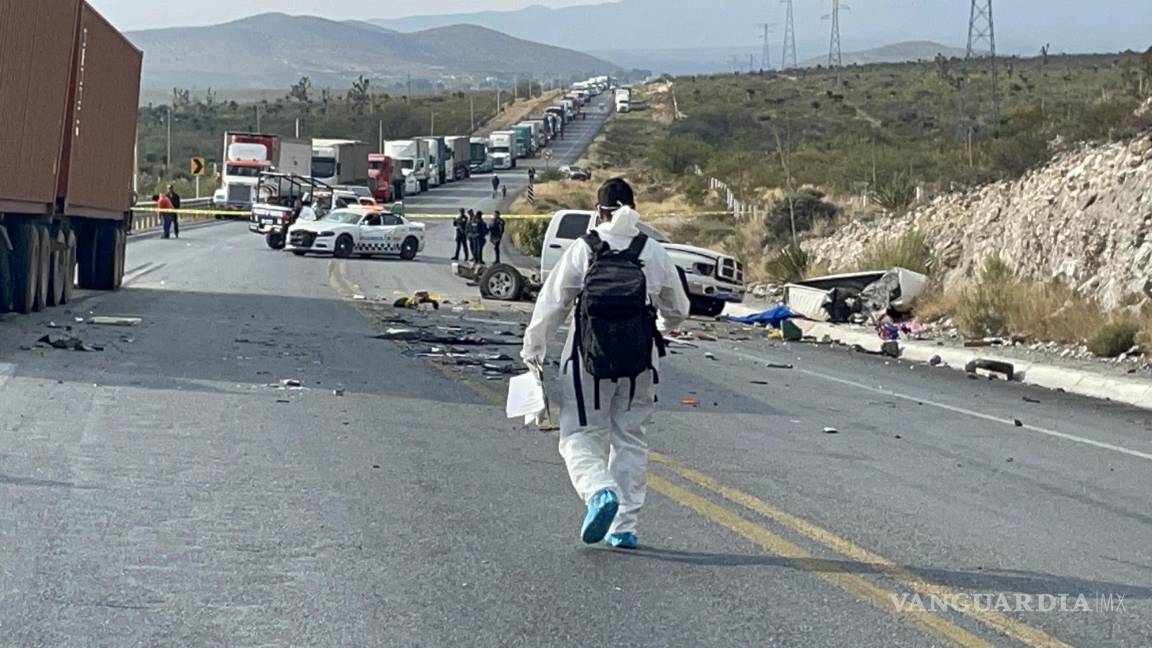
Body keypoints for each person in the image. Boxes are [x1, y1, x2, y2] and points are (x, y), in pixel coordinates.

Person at [521, 178, 689, 550]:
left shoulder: (585, 249)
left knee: (578, 436)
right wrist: (664, 325)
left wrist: (533, 350)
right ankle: (624, 527)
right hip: (640, 361)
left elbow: (553, 304)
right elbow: (678, 308)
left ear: (599, 212)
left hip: (586, 360)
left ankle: (599, 491)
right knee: (630, 438)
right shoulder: (653, 251)